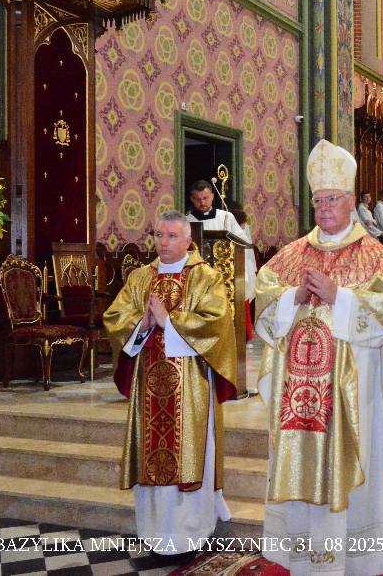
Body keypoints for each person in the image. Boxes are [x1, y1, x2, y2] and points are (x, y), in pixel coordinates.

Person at [254, 139, 383, 574]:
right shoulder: (292, 254)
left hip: (351, 397)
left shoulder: (373, 254)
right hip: (299, 402)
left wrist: (339, 297)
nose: (324, 208)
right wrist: (293, 297)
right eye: (318, 200)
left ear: (351, 201)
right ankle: (299, 554)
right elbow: (264, 300)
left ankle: (355, 558)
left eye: (333, 199)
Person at [103, 210, 237, 558]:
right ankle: (155, 535)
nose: (163, 242)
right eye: (159, 235)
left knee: (189, 457)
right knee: (153, 462)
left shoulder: (206, 277)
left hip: (190, 387)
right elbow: (115, 318)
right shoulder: (140, 277)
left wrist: (170, 321)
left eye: (172, 236)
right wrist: (144, 323)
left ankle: (191, 535)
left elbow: (216, 323)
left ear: (188, 240)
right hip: (149, 384)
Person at [185, 179, 257, 301]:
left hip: (225, 270)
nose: (202, 202)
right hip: (198, 273)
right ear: (192, 199)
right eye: (198, 199)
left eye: (205, 198)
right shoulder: (186, 221)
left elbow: (242, 241)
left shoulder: (226, 217)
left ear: (212, 196)